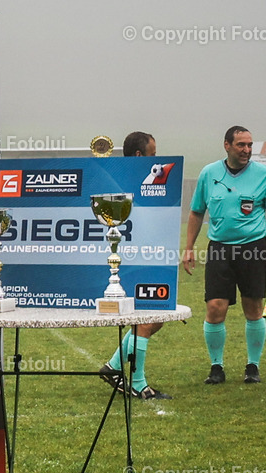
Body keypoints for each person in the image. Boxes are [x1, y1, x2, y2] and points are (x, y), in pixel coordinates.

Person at [182, 126, 266, 385]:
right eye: (241, 145)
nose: (247, 150)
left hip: (254, 247)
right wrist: (188, 248)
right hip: (219, 248)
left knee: (253, 308)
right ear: (227, 145)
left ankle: (253, 366)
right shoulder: (209, 173)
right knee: (215, 307)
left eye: (250, 145)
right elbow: (197, 212)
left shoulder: (265, 176)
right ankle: (216, 367)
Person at [100, 131, 170, 400]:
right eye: (153, 154)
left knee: (157, 317)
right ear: (140, 156)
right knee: (148, 316)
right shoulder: (126, 179)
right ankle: (138, 382)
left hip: (148, 254)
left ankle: (114, 365)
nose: (157, 159)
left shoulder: (148, 180)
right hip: (132, 257)